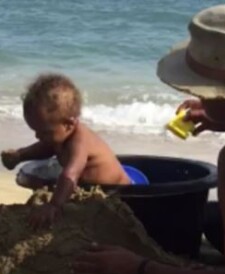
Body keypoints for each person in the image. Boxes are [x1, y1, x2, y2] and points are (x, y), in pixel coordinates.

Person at [71, 4, 225, 274]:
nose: (193, 95)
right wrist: (224, 118)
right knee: (208, 218)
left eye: (198, 89)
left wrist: (138, 271)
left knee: (199, 227)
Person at [1, 73, 131, 229]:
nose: (37, 136)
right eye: (35, 131)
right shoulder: (60, 135)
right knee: (31, 177)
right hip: (85, 186)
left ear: (69, 124)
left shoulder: (79, 141)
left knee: (56, 184)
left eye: (44, 132)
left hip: (116, 192)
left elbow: (71, 174)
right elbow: (45, 148)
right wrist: (20, 155)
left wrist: (54, 205)